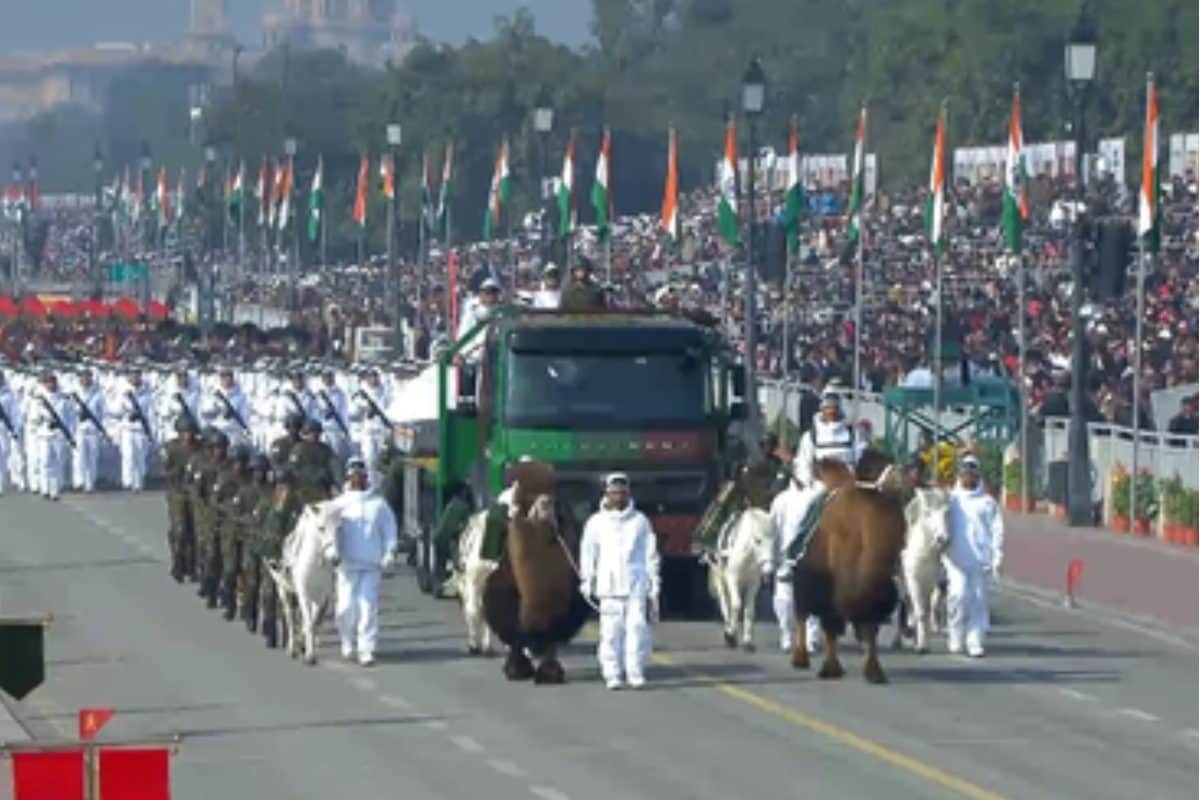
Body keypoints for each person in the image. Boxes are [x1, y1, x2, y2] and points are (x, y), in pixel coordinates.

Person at [579, 473, 660, 690]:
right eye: (614, 492)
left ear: (628, 494)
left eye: (622, 492)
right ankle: (612, 673)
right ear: (607, 494)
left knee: (636, 629)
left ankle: (635, 672)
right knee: (611, 632)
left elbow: (649, 554)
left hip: (636, 583)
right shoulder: (596, 522)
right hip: (608, 585)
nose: (618, 496)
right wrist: (587, 579)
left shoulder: (640, 521)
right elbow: (588, 553)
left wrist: (654, 583)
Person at [330, 456, 398, 667]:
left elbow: (389, 532)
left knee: (368, 607)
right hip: (346, 565)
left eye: (361, 475)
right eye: (354, 475)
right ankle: (347, 641)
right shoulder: (337, 505)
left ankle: (366, 648)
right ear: (348, 477)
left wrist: (389, 553)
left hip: (371, 565)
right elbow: (328, 533)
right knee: (346, 607)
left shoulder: (378, 505)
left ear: (366, 477)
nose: (358, 479)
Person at [944, 454, 1004, 658]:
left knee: (978, 599)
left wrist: (997, 556)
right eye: (965, 473)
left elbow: (997, 530)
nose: (968, 477)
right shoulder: (951, 500)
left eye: (972, 473)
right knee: (959, 596)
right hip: (955, 558)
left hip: (980, 559)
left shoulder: (987, 502)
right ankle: (955, 633)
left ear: (978, 475)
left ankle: (975, 640)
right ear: (960, 475)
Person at [768, 471, 822, 654]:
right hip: (785, 558)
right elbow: (773, 530)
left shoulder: (818, 498)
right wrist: (771, 558)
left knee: (813, 597)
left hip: (812, 557)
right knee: (785, 601)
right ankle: (787, 635)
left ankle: (811, 638)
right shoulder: (781, 500)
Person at [161, 416, 201, 582]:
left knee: (194, 530)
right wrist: (177, 472)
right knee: (180, 529)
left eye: (190, 433)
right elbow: (164, 472)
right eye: (184, 433)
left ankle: (192, 565)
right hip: (176, 492)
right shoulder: (170, 448)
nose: (188, 436)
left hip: (194, 493)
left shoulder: (200, 448)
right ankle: (177, 561)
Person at [112, 369, 155, 492]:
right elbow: (114, 411)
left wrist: (152, 431)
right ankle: (128, 481)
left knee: (140, 457)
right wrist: (125, 409)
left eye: (137, 375)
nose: (135, 378)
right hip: (128, 429)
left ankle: (139, 481)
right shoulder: (123, 393)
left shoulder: (146, 395)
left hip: (141, 430)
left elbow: (151, 414)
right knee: (128, 456)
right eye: (133, 375)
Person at [70, 368, 106, 493]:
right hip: (78, 429)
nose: (85, 379)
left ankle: (90, 483)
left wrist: (103, 430)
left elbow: (103, 413)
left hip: (93, 429)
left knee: (92, 457)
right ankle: (79, 481)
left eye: (87, 377)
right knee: (79, 457)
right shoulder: (73, 393)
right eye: (82, 377)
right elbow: (68, 413)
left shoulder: (98, 393)